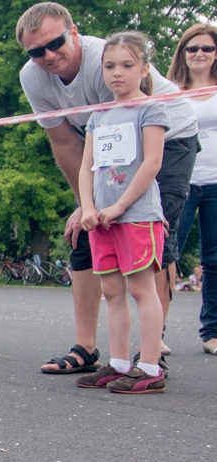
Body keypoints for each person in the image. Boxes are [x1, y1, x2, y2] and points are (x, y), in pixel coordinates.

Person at [16, 2, 199, 373]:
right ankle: (86, 347)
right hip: (104, 153)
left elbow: (130, 143)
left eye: (55, 43)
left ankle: (150, 353)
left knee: (150, 234)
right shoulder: (32, 78)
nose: (48, 56)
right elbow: (67, 143)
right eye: (36, 51)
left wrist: (103, 200)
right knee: (86, 232)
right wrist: (84, 204)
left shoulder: (107, 63)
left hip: (164, 139)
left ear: (74, 31)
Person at [74, 32, 169, 393]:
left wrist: (120, 205)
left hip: (137, 214)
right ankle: (117, 363)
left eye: (127, 65)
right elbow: (88, 168)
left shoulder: (151, 108)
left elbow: (152, 162)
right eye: (110, 66)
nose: (117, 73)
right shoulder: (98, 115)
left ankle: (148, 366)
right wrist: (88, 206)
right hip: (101, 219)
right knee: (111, 290)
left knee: (142, 289)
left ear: (144, 69)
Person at [168, 24, 217, 355]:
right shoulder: (169, 90)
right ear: (183, 53)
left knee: (214, 260)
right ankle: (155, 331)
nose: (200, 53)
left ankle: (211, 332)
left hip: (216, 181)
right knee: (166, 257)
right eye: (192, 48)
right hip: (181, 182)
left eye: (207, 48)